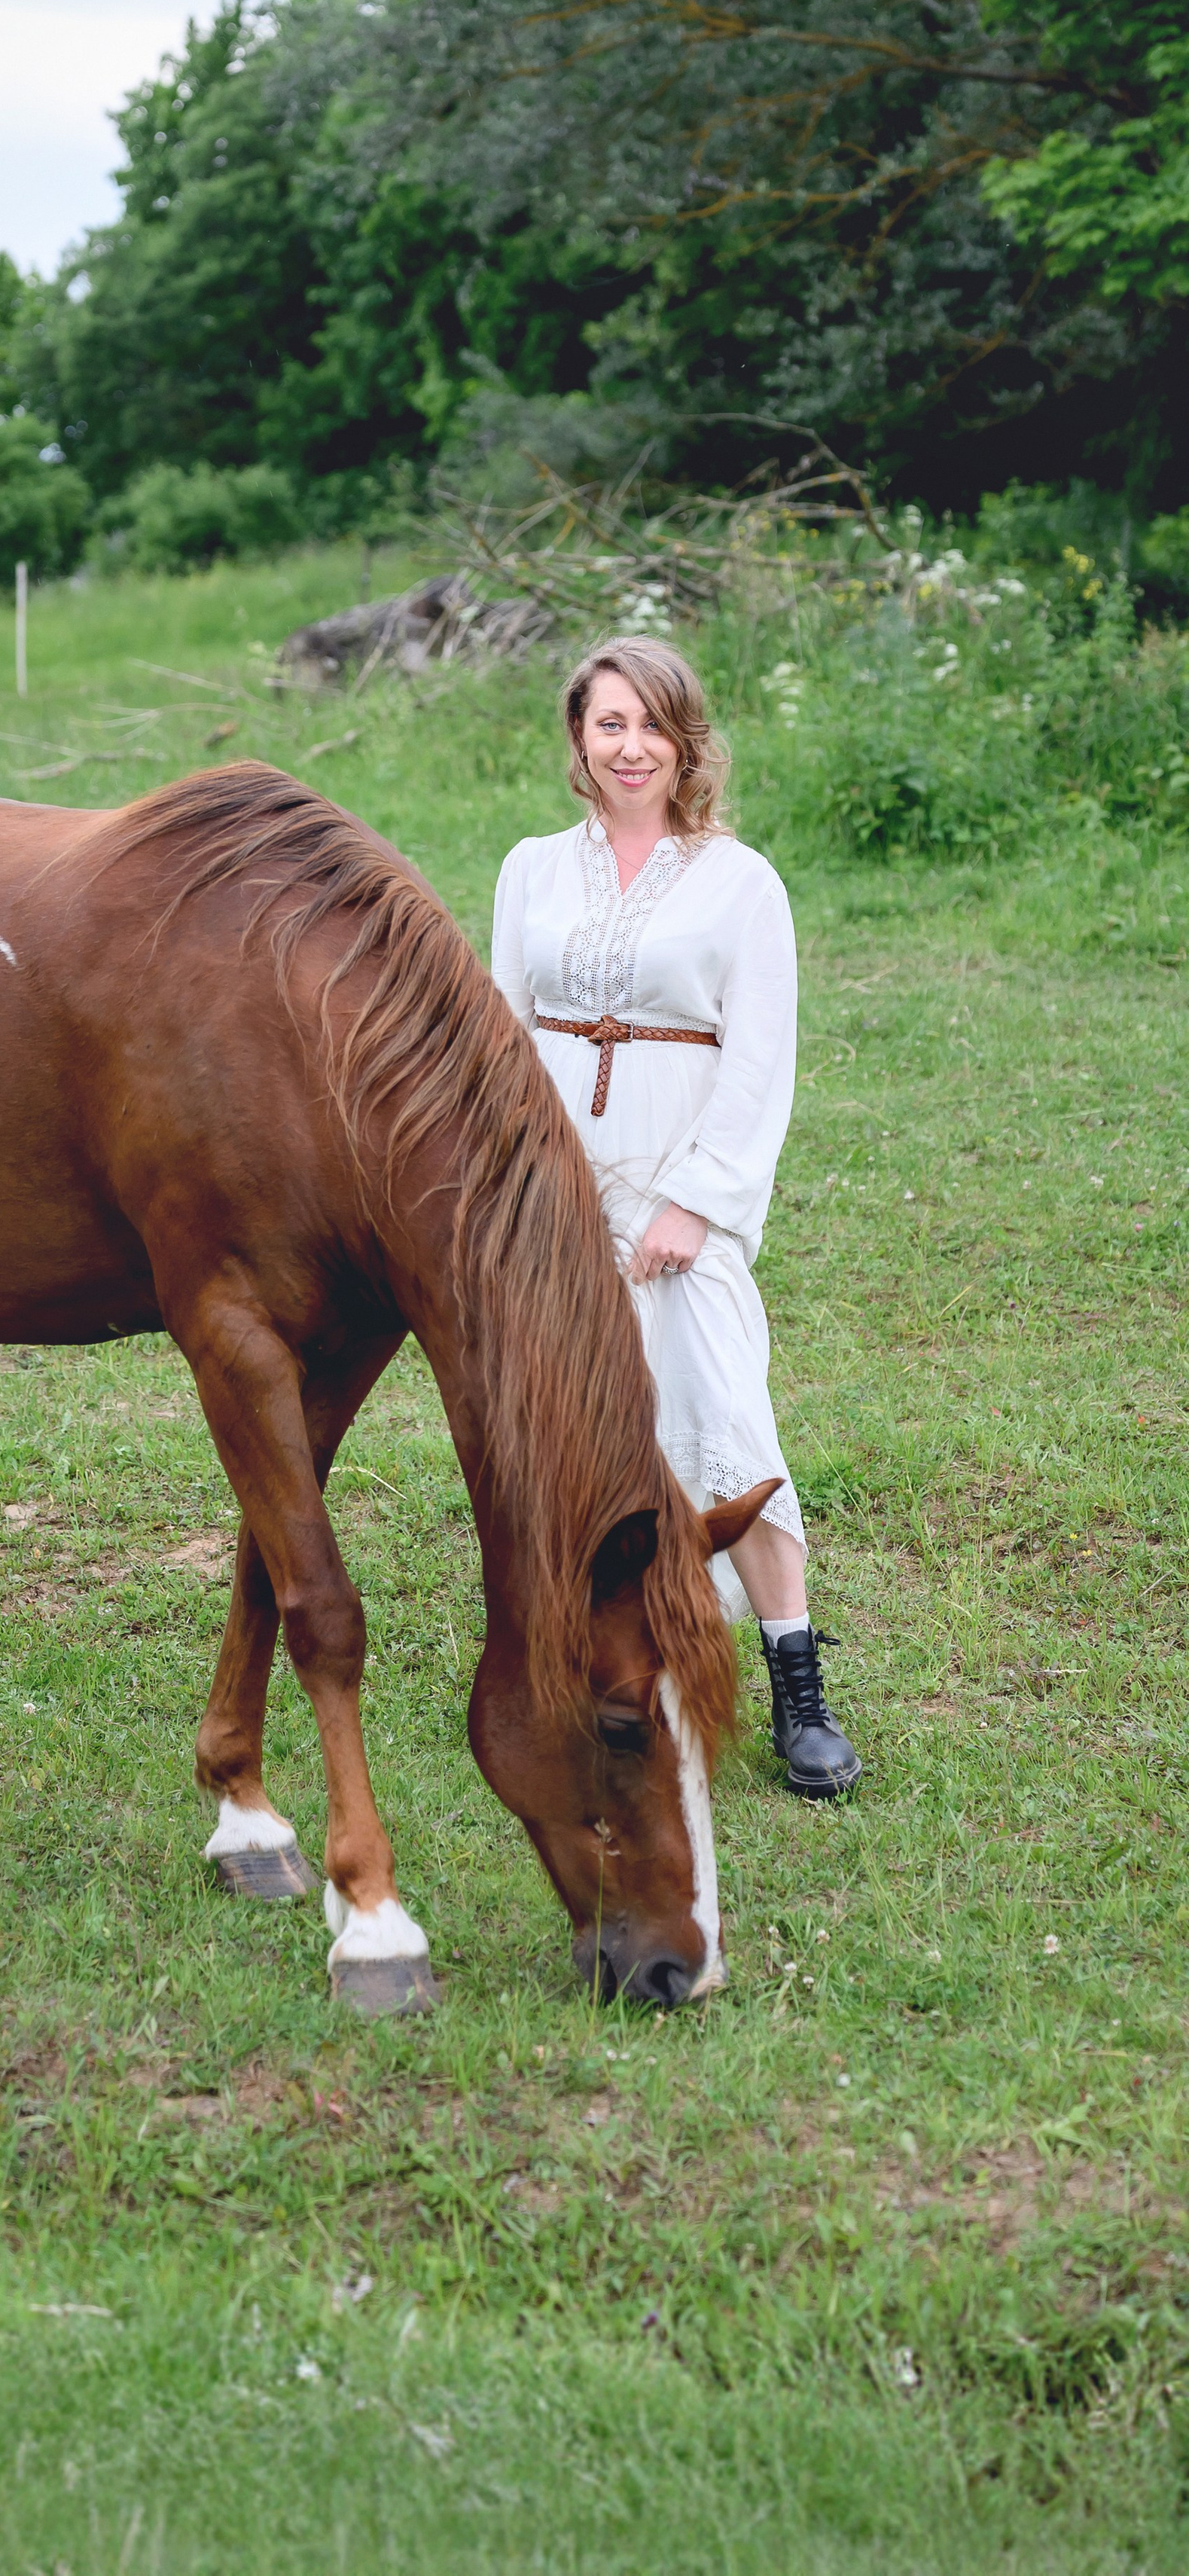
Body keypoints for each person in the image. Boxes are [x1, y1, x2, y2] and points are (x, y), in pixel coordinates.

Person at [490, 635, 861, 1797]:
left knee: (726, 1427)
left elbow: (760, 1061)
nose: (632, 746)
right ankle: (595, 1670)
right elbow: (500, 1034)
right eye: (610, 724)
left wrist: (697, 1204)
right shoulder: (531, 870)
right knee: (570, 1437)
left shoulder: (740, 882)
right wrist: (514, 1193)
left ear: (685, 739)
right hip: (555, 1195)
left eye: (653, 725)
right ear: (578, 740)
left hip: (679, 1191)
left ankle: (795, 1677)